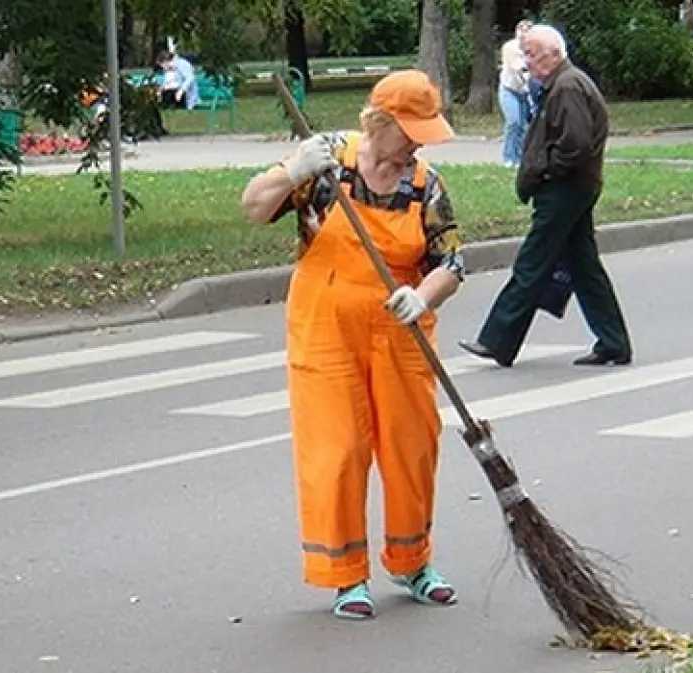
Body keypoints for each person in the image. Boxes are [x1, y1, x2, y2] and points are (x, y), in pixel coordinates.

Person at [240, 69, 466, 620]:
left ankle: (413, 563)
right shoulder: (327, 165)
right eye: (409, 130)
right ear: (379, 123)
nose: (416, 142)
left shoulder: (425, 185)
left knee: (411, 449)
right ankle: (346, 577)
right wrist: (293, 170)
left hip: (400, 334)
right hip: (326, 331)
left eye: (422, 132)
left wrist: (424, 295)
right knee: (336, 452)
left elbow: (452, 262)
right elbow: (252, 206)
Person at [458, 24, 632, 368]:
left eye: (533, 54)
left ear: (555, 54)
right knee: (584, 266)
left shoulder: (566, 86)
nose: (527, 62)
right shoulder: (565, 82)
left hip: (565, 189)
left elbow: (575, 144)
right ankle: (614, 343)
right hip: (574, 185)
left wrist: (548, 171)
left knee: (532, 262)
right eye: (525, 54)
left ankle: (497, 341)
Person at [499, 20, 532, 167]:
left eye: (527, 30)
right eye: (521, 30)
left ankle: (519, 158)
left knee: (523, 126)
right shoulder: (510, 48)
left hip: (525, 92)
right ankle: (508, 158)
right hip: (509, 90)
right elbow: (518, 67)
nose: (523, 33)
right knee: (513, 122)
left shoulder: (534, 49)